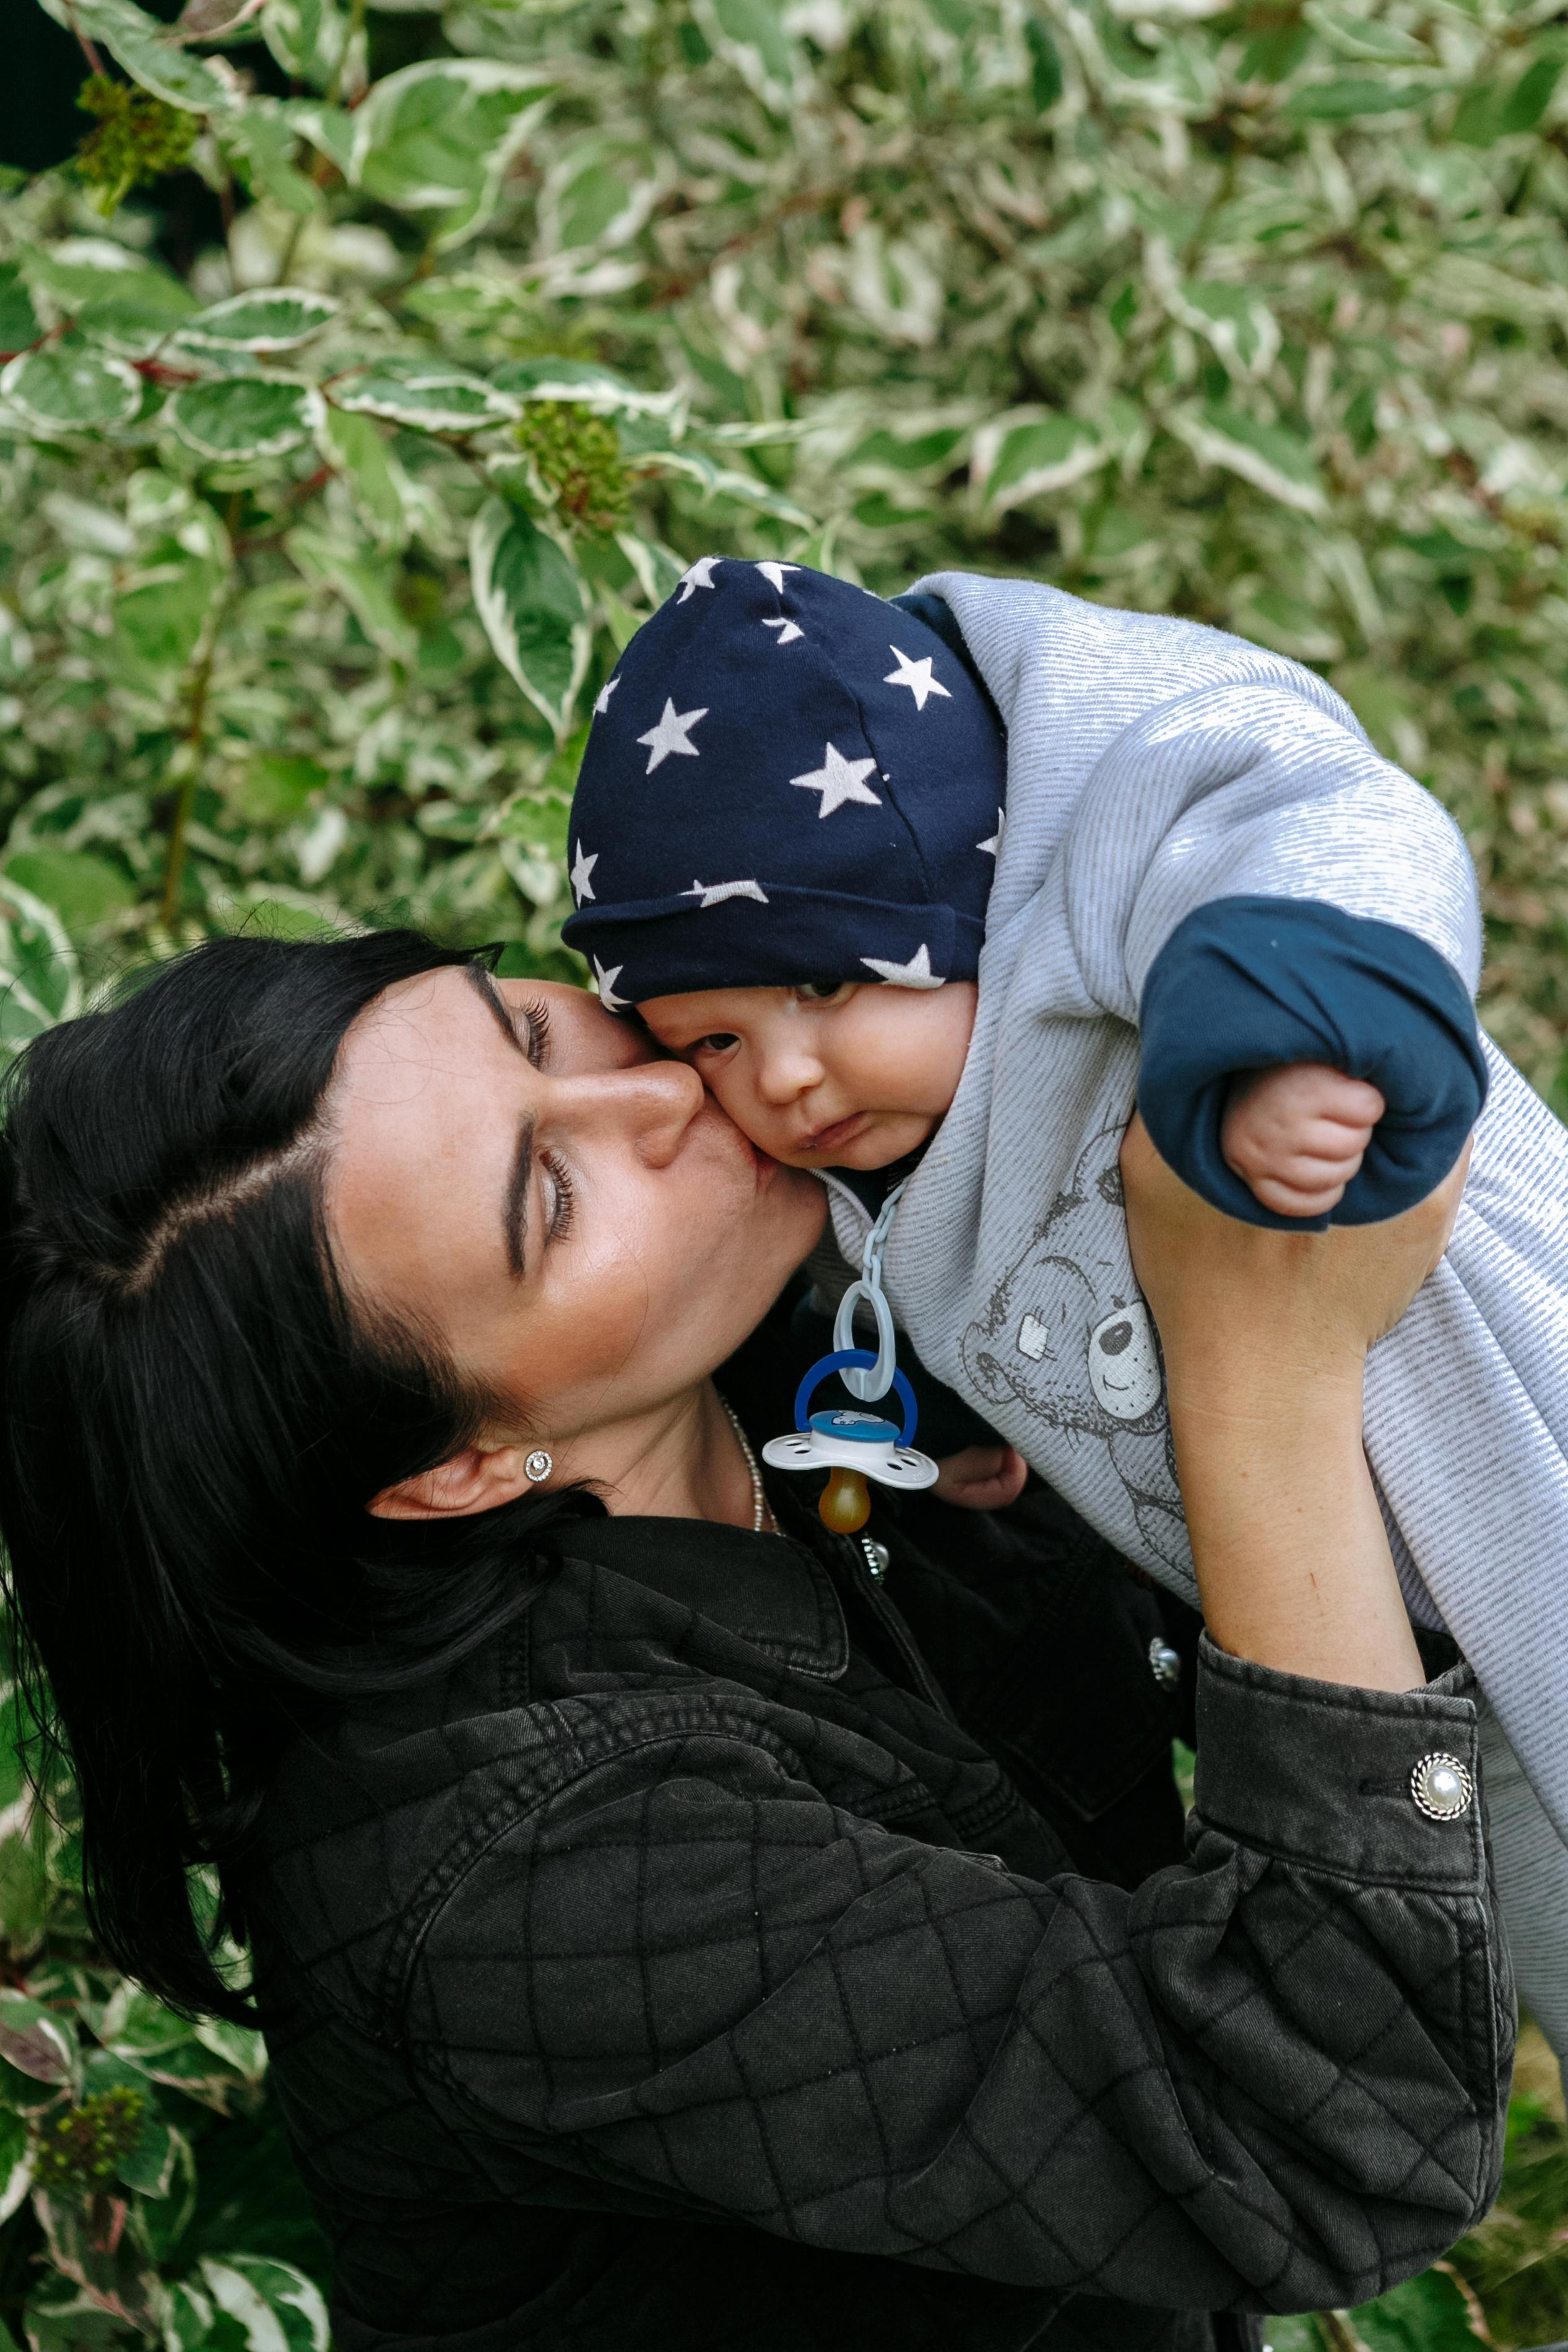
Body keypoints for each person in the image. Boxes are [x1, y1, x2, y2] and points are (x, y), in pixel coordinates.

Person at [0, 931, 1509, 2352]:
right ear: (453, 1465)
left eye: (527, 1026)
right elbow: (1334, 2126)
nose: (657, 1091)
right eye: (554, 1198)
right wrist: (1262, 1375)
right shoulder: (527, 1876)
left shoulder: (793, 1359)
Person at [561, 556, 1568, 2083]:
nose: (781, 1079)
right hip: (1395, 1654)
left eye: (832, 982)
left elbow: (1316, 817)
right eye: (710, 1035)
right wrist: (927, 1416)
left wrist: (1292, 1032)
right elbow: (916, 1282)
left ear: (962, 895)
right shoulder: (865, 1147)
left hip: (1519, 1459)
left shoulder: (1086, 903)